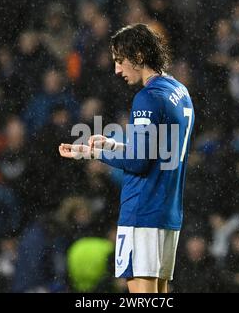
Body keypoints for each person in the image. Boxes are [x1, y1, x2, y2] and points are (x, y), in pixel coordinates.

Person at [59, 23, 195, 293]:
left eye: (120, 61)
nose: (117, 70)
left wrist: (96, 153)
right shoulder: (179, 91)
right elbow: (159, 150)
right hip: (168, 210)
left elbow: (138, 162)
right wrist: (114, 144)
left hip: (142, 211)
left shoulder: (147, 98)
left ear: (140, 56)